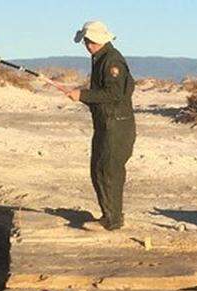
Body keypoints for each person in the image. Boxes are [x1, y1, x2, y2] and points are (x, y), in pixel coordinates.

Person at [67, 21, 136, 232]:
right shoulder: (100, 59)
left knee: (108, 171)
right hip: (106, 125)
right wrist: (83, 95)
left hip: (116, 127)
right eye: (86, 41)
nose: (87, 45)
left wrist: (83, 95)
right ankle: (111, 214)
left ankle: (112, 220)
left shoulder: (112, 60)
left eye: (89, 41)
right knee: (99, 169)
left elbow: (115, 94)